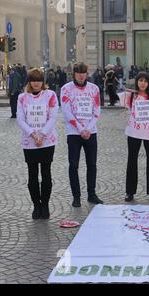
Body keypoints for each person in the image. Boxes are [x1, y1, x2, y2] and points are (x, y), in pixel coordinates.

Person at [16, 68, 58, 220]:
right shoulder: (22, 98)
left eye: (39, 80)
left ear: (43, 82)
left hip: (47, 141)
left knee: (46, 173)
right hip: (29, 142)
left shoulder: (50, 95)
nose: (36, 83)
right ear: (29, 82)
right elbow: (20, 119)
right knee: (32, 174)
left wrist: (42, 134)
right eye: (33, 80)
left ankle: (45, 205)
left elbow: (53, 117)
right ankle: (36, 205)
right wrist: (33, 134)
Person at [61, 62, 103, 207]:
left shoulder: (94, 89)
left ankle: (92, 194)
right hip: (73, 133)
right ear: (74, 74)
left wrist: (88, 129)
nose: (81, 75)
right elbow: (66, 112)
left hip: (91, 132)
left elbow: (97, 111)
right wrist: (80, 129)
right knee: (73, 165)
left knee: (92, 164)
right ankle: (76, 196)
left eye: (83, 73)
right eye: (78, 73)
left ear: (87, 74)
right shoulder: (66, 89)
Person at [120, 72, 149, 202]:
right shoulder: (131, 95)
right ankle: (130, 192)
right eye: (140, 80)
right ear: (137, 82)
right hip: (134, 132)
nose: (142, 83)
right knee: (132, 161)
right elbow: (116, 98)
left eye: (145, 81)